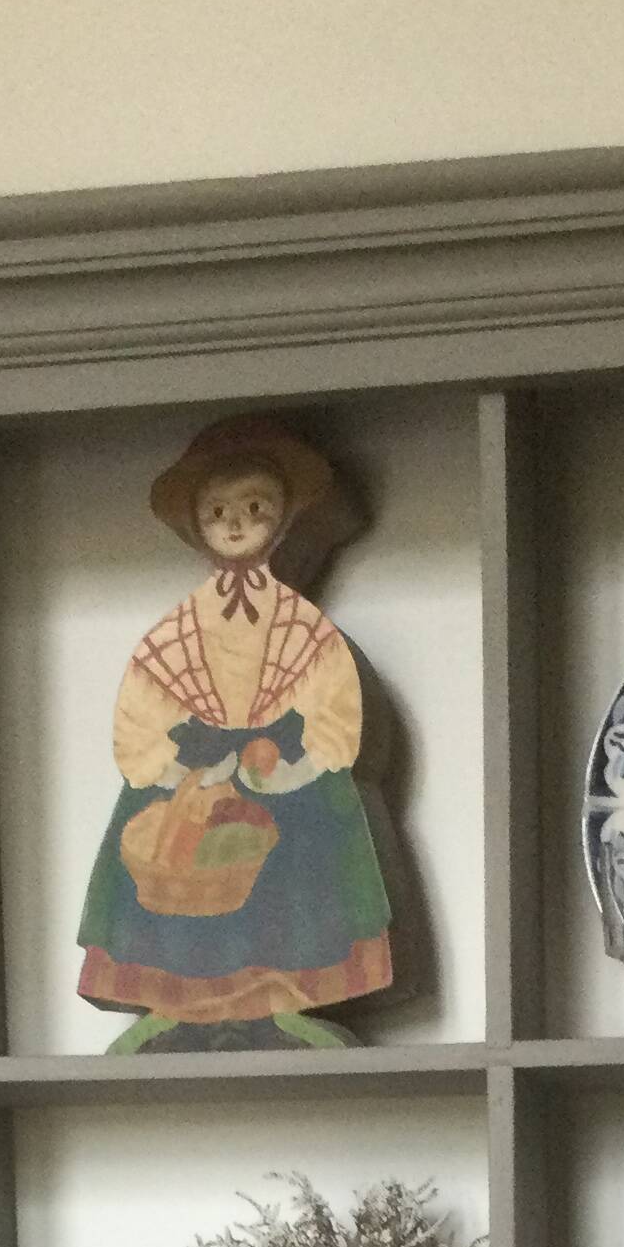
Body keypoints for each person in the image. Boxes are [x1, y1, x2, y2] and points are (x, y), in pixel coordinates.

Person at [76, 415, 394, 1051]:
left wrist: (301, 764)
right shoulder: (178, 627)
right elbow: (146, 704)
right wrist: (166, 768)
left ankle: (283, 1000)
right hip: (195, 766)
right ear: (196, 523)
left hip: (279, 763)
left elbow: (334, 709)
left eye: (256, 506)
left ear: (287, 516)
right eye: (218, 509)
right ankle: (178, 1003)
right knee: (171, 840)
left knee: (296, 866)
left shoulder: (306, 628)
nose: (236, 522)